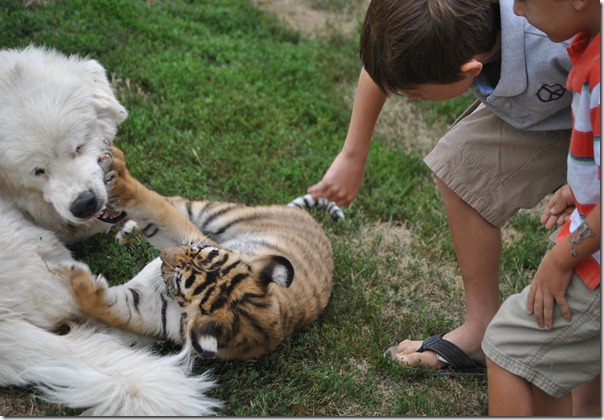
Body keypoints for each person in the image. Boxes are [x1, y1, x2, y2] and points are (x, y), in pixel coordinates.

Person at [308, 0, 572, 374]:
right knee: (460, 167)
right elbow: (385, 61)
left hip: (591, 106)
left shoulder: (557, 33)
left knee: (583, 245)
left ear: (470, 69)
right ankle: (480, 332)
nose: (407, 96)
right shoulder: (454, 21)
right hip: (555, 105)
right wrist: (353, 154)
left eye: (414, 93)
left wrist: (588, 180)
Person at [481, 0, 600, 415]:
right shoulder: (592, 47)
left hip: (594, 267)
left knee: (505, 347)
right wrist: (583, 191)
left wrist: (561, 259)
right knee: (551, 366)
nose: (515, 8)